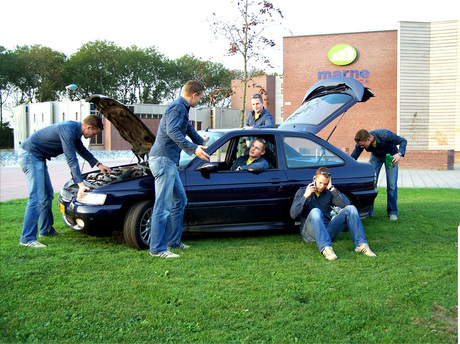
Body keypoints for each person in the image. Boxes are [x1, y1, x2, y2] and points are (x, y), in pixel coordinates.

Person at [18, 115, 112, 248]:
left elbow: (82, 151)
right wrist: (81, 184)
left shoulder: (75, 131)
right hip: (30, 155)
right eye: (94, 133)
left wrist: (98, 164)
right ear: (88, 127)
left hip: (37, 157)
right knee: (37, 197)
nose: (92, 136)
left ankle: (46, 230)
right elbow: (71, 159)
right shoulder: (68, 131)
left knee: (47, 195)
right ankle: (27, 238)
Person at [148, 80, 210, 259]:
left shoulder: (182, 108)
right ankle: (157, 249)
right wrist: (193, 149)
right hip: (163, 159)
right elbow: (173, 132)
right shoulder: (177, 108)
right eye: (200, 98)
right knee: (163, 206)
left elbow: (188, 129)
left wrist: (201, 141)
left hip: (168, 161)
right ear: (194, 95)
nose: (199, 101)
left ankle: (173, 242)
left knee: (180, 200)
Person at [290, 167, 376, 261]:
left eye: (325, 183)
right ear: (314, 178)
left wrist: (331, 189)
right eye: (320, 182)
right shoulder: (303, 191)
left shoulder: (328, 192)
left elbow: (346, 205)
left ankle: (360, 244)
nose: (322, 186)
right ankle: (326, 249)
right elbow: (293, 215)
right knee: (315, 211)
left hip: (328, 231)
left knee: (350, 209)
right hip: (309, 234)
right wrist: (305, 196)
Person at [351, 129, 407, 221]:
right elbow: (353, 157)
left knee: (392, 185)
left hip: (391, 156)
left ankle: (392, 212)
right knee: (370, 184)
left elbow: (403, 141)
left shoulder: (385, 135)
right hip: (376, 156)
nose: (361, 147)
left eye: (363, 145)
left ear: (368, 139)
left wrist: (399, 154)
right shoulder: (361, 142)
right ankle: (368, 212)